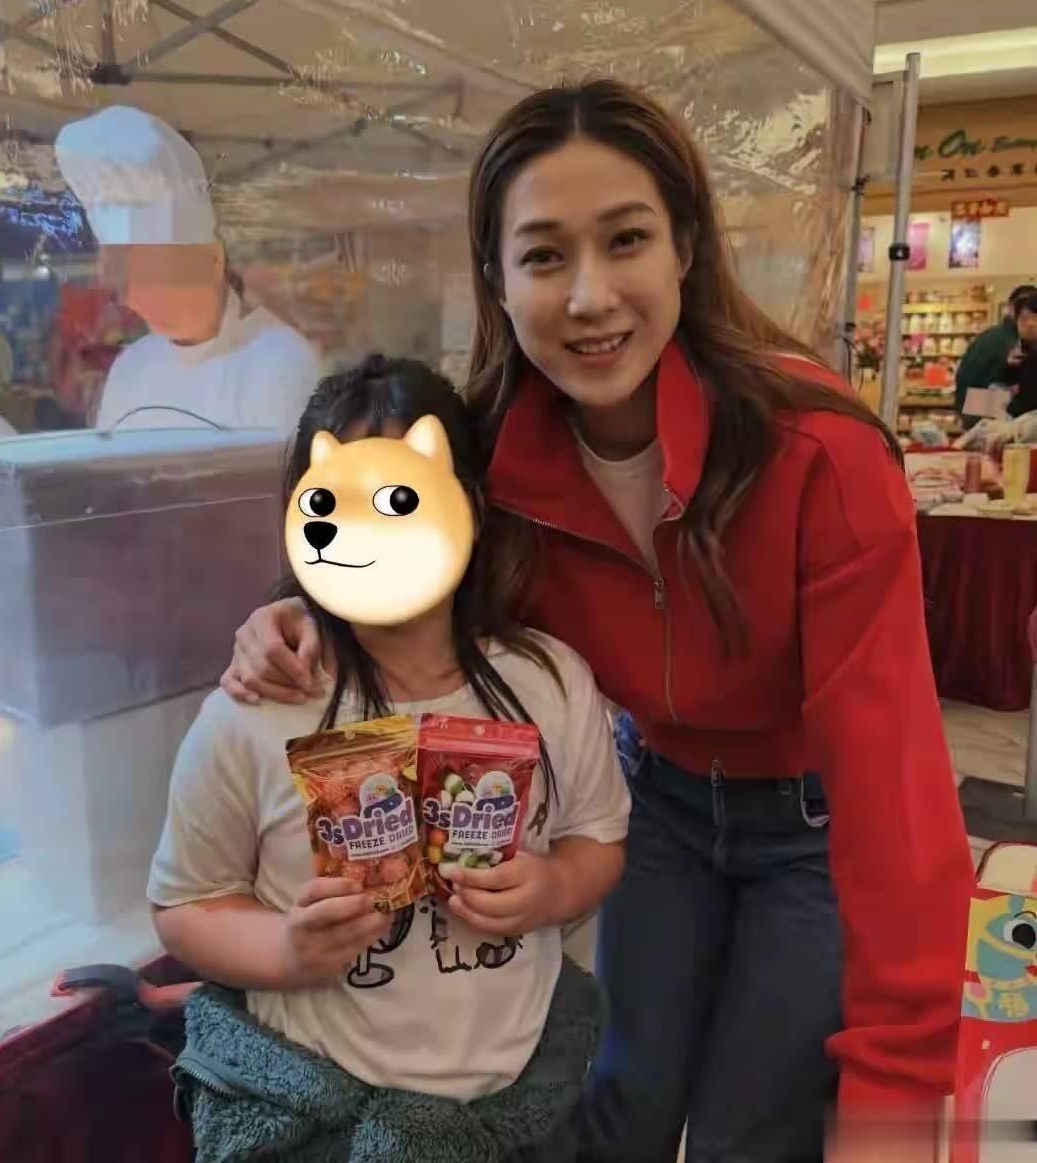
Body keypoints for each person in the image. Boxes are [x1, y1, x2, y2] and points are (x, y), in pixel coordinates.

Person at [218, 81, 973, 1163]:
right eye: (543, 255)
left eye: (626, 240)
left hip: (814, 823)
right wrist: (292, 611)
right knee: (617, 1100)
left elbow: (897, 801)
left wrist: (897, 1103)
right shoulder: (488, 465)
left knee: (751, 1131)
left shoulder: (821, 457)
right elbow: (391, 552)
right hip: (655, 801)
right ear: (496, 278)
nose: (589, 296)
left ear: (686, 248)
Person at [148, 354, 630, 1161]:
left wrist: (552, 888)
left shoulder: (549, 681)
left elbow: (598, 838)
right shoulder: (252, 711)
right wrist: (285, 950)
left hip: (514, 1106)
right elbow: (185, 904)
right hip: (326, 1118)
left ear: (470, 505)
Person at [55, 106, 320, 432]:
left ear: (212, 260)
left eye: (155, 272)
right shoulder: (130, 370)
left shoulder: (282, 364)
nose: (138, 299)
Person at [954, 284, 1036, 427]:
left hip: (974, 408)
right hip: (984, 412)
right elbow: (1021, 400)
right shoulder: (1012, 341)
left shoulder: (991, 335)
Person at [995, 288, 1037, 419]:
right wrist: (1008, 367)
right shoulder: (1020, 354)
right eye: (1024, 319)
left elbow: (1025, 404)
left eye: (1035, 318)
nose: (1030, 324)